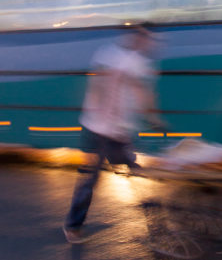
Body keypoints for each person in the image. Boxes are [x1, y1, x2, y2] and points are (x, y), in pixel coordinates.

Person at [63, 23, 165, 244]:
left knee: (134, 169)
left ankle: (155, 221)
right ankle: (73, 226)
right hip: (97, 128)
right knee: (91, 178)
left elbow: (143, 91)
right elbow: (101, 82)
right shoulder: (109, 54)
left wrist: (153, 118)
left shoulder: (141, 62)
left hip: (120, 132)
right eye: (147, 39)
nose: (151, 44)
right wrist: (103, 114)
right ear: (136, 37)